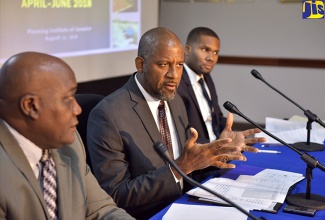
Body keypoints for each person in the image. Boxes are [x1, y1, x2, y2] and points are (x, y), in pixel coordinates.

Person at [87, 27, 266, 220]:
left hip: (186, 205)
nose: (174, 74)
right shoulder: (108, 115)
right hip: (149, 214)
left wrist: (217, 151)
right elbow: (116, 195)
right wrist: (179, 168)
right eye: (164, 64)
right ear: (141, 64)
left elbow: (188, 164)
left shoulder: (175, 100)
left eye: (179, 64)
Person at [0, 52, 135, 220]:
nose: (78, 109)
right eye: (67, 99)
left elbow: (102, 209)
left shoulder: (69, 144)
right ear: (30, 106)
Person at [178, 27, 226, 144]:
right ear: (188, 50)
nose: (211, 58)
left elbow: (216, 117)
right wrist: (212, 146)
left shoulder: (206, 78)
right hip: (197, 152)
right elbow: (179, 132)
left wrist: (231, 133)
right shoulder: (176, 83)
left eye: (215, 52)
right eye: (205, 49)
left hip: (217, 148)